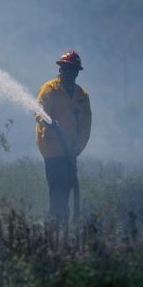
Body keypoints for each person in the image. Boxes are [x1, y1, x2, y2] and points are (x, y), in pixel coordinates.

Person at [35, 50, 92, 223]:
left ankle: (61, 223)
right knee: (57, 188)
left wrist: (76, 150)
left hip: (70, 152)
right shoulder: (50, 90)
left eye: (72, 70)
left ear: (77, 73)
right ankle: (55, 224)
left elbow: (85, 127)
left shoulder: (82, 96)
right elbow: (38, 111)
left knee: (66, 188)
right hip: (51, 149)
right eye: (65, 69)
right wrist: (48, 122)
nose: (68, 73)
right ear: (60, 70)